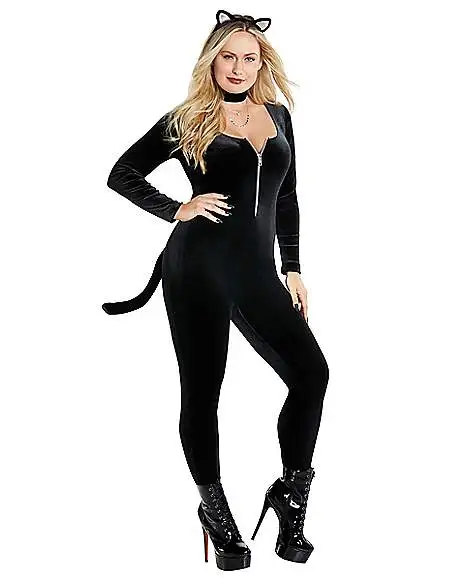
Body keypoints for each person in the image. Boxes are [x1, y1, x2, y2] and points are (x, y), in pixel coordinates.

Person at [102, 9, 329, 570]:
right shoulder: (187, 119)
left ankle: (291, 495)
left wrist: (293, 268)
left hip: (257, 273)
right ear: (212, 60)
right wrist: (176, 208)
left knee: (312, 374)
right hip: (197, 270)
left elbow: (287, 197)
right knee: (204, 393)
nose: (238, 67)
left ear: (261, 63)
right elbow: (122, 173)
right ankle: (216, 511)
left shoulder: (278, 115)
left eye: (249, 57)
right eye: (228, 56)